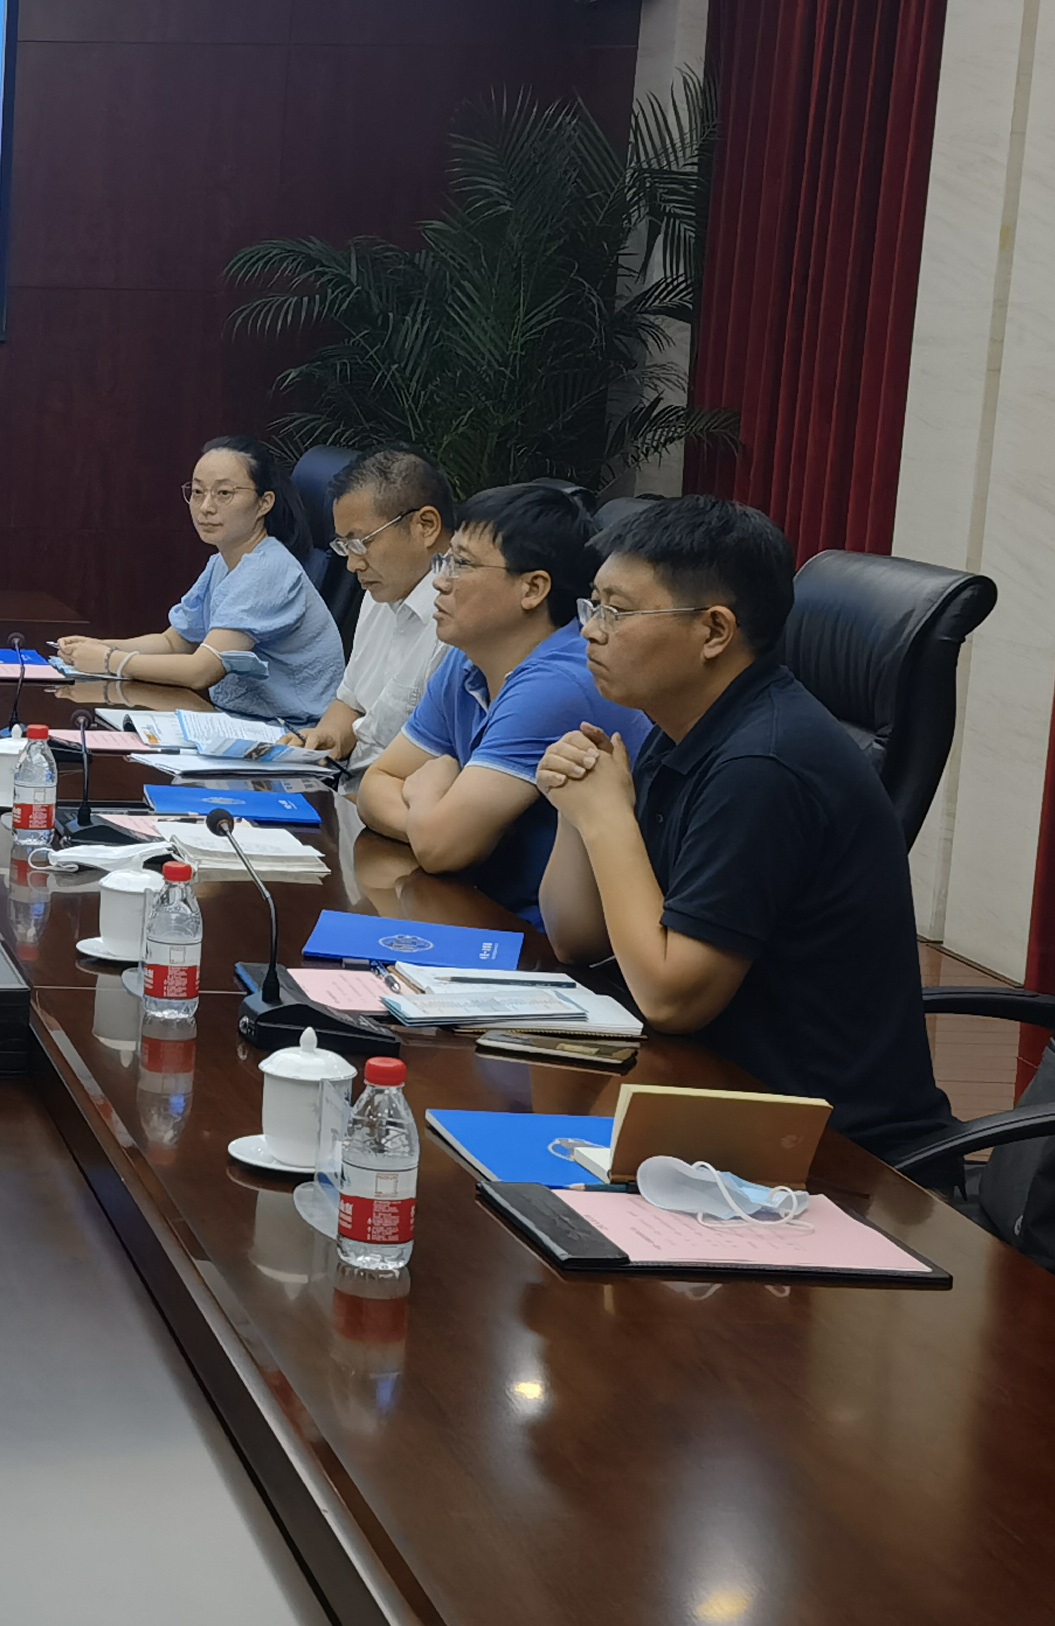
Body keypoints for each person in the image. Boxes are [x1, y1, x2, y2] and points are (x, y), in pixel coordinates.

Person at [532, 496, 954, 1160]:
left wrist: (608, 819)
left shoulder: (764, 766)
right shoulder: (682, 727)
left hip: (825, 1150)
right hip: (712, 1093)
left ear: (714, 631)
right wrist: (575, 808)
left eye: (618, 611)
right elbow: (575, 939)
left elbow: (672, 999)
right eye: (594, 606)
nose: (591, 632)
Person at [355, 482, 650, 908]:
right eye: (445, 560)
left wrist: (427, 793)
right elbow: (375, 786)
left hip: (543, 936)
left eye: (461, 564)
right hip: (478, 906)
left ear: (532, 589)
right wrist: (433, 821)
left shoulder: (559, 683)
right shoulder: (468, 658)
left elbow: (441, 849)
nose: (440, 581)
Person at [54, 435, 347, 725]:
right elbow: (174, 642)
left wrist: (110, 661)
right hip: (238, 724)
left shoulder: (269, 569)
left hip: (290, 735)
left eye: (224, 493)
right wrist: (99, 646)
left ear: (264, 503)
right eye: (197, 492)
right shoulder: (222, 563)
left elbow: (201, 671)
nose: (206, 507)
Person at [299, 446, 454, 772]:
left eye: (360, 543)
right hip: (344, 781)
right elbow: (350, 702)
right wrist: (327, 738)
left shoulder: (460, 618)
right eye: (345, 546)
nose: (352, 565)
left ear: (425, 525)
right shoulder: (379, 591)